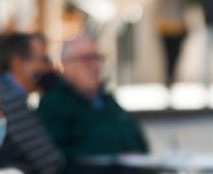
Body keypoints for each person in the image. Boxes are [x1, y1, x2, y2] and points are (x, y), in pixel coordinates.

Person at [37, 36, 149, 165]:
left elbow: (139, 144)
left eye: (97, 58)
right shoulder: (53, 104)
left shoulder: (108, 101)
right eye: (86, 59)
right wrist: (114, 157)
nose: (94, 65)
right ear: (66, 65)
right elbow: (56, 156)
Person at [0, 32, 64, 174]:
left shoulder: (5, 94)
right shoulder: (5, 99)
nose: (49, 68)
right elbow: (49, 161)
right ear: (17, 62)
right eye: (44, 60)